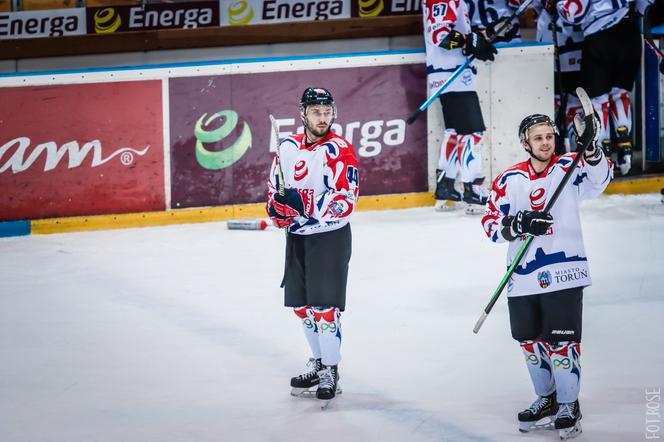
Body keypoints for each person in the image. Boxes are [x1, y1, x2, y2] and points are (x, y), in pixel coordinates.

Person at [481, 114, 612, 439]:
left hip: (565, 273)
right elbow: (490, 223)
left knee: (561, 342)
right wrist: (518, 225)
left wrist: (593, 150)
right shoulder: (509, 179)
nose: (545, 143)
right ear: (525, 143)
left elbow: (599, 182)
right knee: (530, 341)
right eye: (537, 138)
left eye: (549, 136)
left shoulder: (570, 167)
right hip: (522, 276)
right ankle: (547, 398)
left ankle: (569, 404)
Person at [265, 87, 359, 403]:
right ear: (303, 113)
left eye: (327, 111)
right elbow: (274, 189)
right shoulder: (287, 146)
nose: (323, 118)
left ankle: (331, 369)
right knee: (302, 308)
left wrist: (302, 201)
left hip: (329, 238)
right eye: (316, 112)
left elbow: (346, 202)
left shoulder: (340, 150)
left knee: (324, 309)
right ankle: (319, 364)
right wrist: (277, 210)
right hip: (297, 238)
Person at [554, 0, 648, 175]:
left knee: (598, 101)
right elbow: (645, 6)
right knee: (621, 94)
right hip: (630, 33)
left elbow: (573, 13)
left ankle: (603, 149)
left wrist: (558, 6)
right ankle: (624, 138)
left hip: (599, 37)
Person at [422, 0, 498, 212]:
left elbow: (454, 33)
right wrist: (469, 40)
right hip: (453, 75)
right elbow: (441, 36)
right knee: (472, 133)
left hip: (448, 73)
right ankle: (473, 190)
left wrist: (477, 38)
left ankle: (445, 189)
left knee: (454, 132)